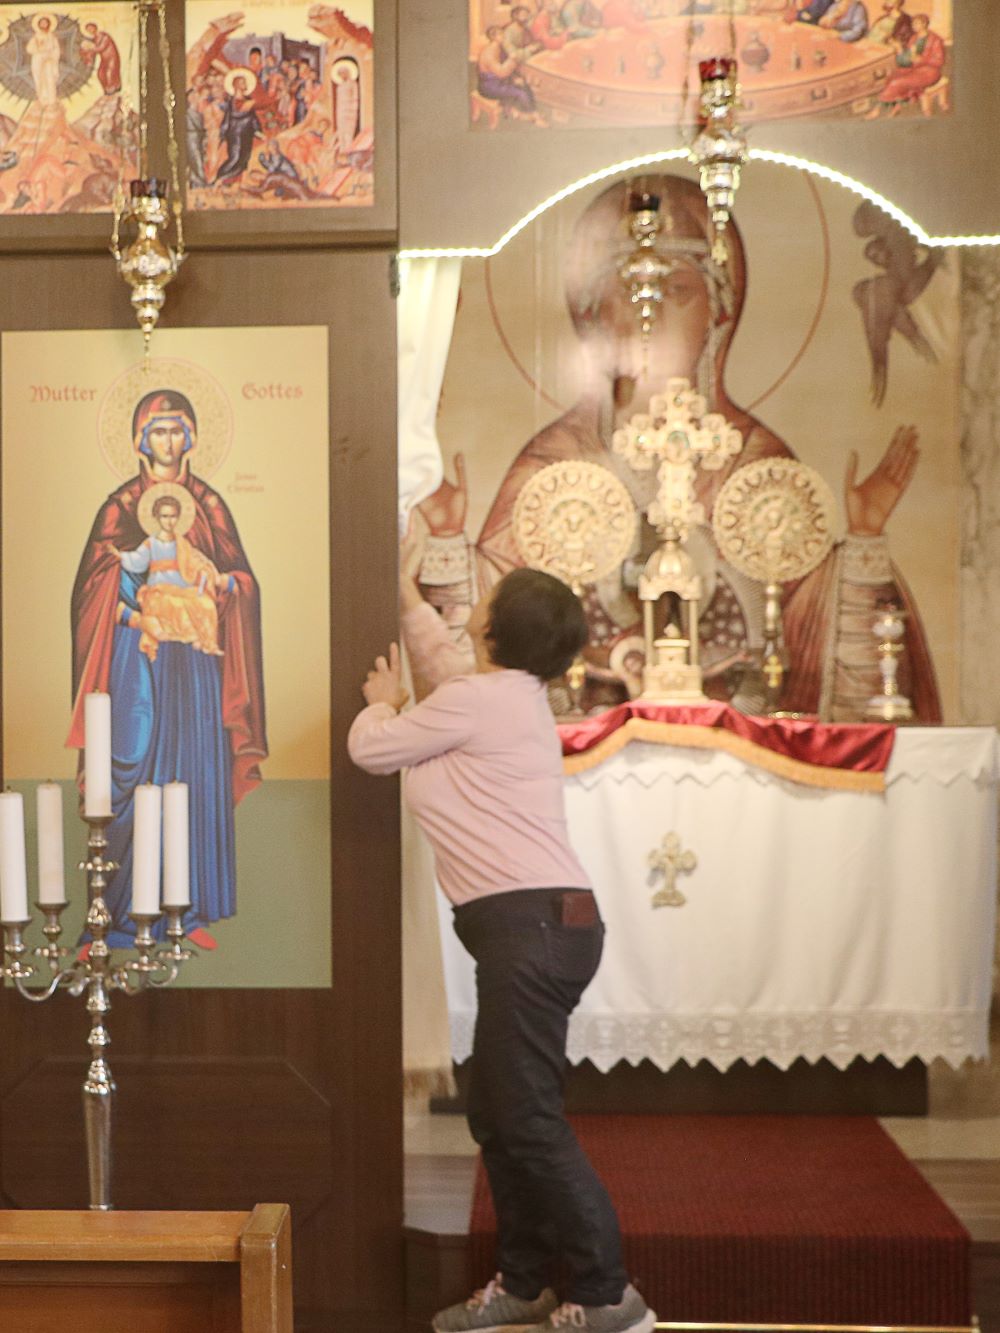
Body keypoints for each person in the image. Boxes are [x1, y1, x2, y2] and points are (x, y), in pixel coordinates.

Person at [407, 174, 942, 722]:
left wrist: (863, 544)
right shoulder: (551, 464)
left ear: (718, 314)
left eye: (678, 292)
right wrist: (451, 543)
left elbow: (811, 641)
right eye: (627, 293)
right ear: (593, 313)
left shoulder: (755, 461)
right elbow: (481, 649)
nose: (651, 316)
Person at [349, 569, 656, 1333]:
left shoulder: (476, 700)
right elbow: (444, 665)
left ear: (492, 629)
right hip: (543, 926)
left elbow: (370, 749)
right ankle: (522, 1281)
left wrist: (380, 703)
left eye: (480, 603)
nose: (471, 608)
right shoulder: (499, 695)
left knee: (527, 1118)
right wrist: (407, 595)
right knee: (501, 1112)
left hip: (532, 929)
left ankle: (608, 1291)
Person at [67, 390, 267, 948]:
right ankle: (117, 915)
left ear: (194, 437)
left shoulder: (211, 505)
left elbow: (241, 581)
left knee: (192, 774)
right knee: (132, 774)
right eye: (157, 431)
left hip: (198, 668)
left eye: (178, 430)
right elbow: (93, 587)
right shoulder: (117, 507)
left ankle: (190, 911)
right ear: (139, 439)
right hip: (138, 664)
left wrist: (226, 586)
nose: (168, 442)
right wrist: (134, 607)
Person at [111, 494, 226, 663]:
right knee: (173, 604)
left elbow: (193, 565)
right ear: (157, 517)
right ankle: (179, 634)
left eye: (173, 516)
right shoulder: (151, 543)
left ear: (178, 518)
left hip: (182, 588)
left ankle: (203, 641)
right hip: (158, 590)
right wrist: (119, 556)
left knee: (206, 604)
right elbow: (136, 561)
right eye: (165, 516)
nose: (169, 521)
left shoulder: (182, 543)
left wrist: (203, 570)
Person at [876, 13, 944, 111]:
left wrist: (922, 60)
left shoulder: (935, 40)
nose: (914, 26)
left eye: (916, 24)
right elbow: (907, 60)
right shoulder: (914, 38)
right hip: (914, 69)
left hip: (929, 72)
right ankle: (896, 106)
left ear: (924, 24)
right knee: (890, 78)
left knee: (896, 83)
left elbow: (939, 61)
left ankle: (879, 109)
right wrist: (899, 50)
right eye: (913, 24)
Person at [476, 26, 538, 118]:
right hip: (489, 87)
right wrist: (512, 59)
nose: (504, 36)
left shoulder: (499, 47)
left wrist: (514, 77)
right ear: (493, 37)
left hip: (499, 81)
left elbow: (505, 65)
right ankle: (531, 114)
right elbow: (502, 72)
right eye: (500, 34)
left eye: (503, 33)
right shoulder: (489, 54)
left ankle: (525, 110)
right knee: (521, 93)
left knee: (523, 83)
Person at [28, 15, 60, 107]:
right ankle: (42, 99)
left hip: (49, 61)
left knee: (49, 79)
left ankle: (51, 100)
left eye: (45, 23)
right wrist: (38, 49)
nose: (44, 24)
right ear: (38, 25)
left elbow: (56, 50)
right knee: (39, 79)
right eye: (42, 23)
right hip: (38, 60)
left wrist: (51, 56)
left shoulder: (52, 37)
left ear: (49, 24)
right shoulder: (36, 37)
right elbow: (29, 49)